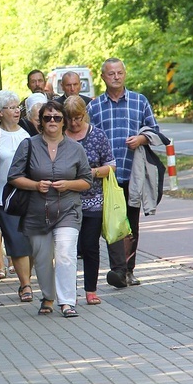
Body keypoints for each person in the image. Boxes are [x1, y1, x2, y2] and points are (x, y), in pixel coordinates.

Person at [7, 101, 92, 317]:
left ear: (64, 122)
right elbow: (14, 177)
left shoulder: (75, 148)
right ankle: (48, 296)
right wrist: (35, 185)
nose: (52, 121)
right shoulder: (29, 145)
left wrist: (68, 184)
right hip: (37, 211)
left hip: (68, 209)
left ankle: (67, 302)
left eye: (57, 118)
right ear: (40, 122)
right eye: (47, 118)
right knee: (43, 258)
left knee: (65, 254)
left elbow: (87, 180)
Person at [87, 58, 161, 287]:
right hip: (106, 176)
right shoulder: (95, 106)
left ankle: (128, 270)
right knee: (112, 222)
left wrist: (141, 138)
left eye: (119, 72)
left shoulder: (139, 101)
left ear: (125, 74)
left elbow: (154, 130)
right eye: (111, 74)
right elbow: (87, 136)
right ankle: (117, 270)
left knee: (131, 223)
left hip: (133, 172)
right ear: (103, 77)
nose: (116, 77)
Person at [64, 95, 115, 305]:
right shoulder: (60, 136)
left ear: (84, 114)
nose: (74, 123)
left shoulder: (98, 136)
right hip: (66, 201)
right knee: (66, 248)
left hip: (93, 199)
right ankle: (66, 291)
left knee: (90, 246)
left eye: (78, 118)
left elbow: (111, 166)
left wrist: (91, 173)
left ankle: (91, 290)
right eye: (70, 119)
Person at [0, 90, 34, 300]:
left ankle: (28, 278)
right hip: (4, 197)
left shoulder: (28, 130)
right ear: (0, 112)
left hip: (33, 194)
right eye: (12, 108)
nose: (17, 111)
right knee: (16, 241)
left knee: (32, 242)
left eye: (18, 107)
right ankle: (25, 285)